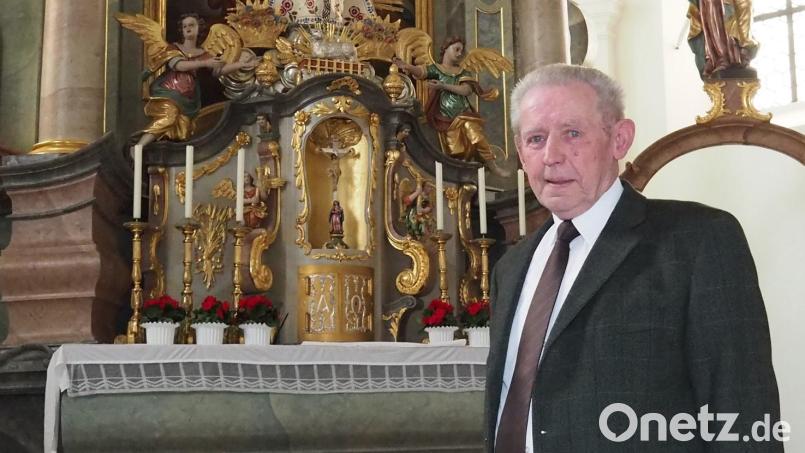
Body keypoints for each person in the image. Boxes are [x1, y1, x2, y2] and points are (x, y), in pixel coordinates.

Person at [485, 64, 781, 452]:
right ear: (521, 152)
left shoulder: (696, 241)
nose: (551, 156)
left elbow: (742, 408)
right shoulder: (511, 267)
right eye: (536, 139)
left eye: (572, 133)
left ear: (619, 140)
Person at [136, 13, 254, 147]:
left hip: (188, 98)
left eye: (191, 25)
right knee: (169, 117)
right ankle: (139, 146)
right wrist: (205, 63)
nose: (188, 28)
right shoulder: (174, 48)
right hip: (169, 92)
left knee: (183, 128)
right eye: (184, 26)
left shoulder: (204, 53)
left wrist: (240, 65)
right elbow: (179, 65)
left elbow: (218, 71)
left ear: (199, 28)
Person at [394, 38, 506, 175]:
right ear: (446, 49)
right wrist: (406, 65)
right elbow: (421, 71)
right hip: (445, 117)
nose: (459, 54)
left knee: (475, 134)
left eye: (461, 51)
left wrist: (443, 85)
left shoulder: (463, 72)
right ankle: (460, 174)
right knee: (455, 149)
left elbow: (466, 90)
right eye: (456, 49)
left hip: (464, 113)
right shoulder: (437, 69)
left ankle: (492, 164)